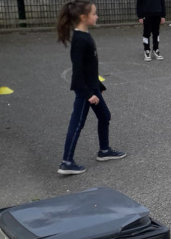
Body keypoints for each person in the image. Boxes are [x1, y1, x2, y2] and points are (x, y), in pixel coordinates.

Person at [56, 0, 126, 175]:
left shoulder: (85, 36)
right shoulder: (79, 40)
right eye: (94, 14)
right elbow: (77, 72)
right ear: (83, 17)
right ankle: (66, 162)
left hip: (91, 87)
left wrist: (98, 85)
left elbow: (89, 67)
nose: (97, 16)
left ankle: (104, 151)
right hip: (84, 91)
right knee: (77, 123)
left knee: (104, 116)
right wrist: (88, 94)